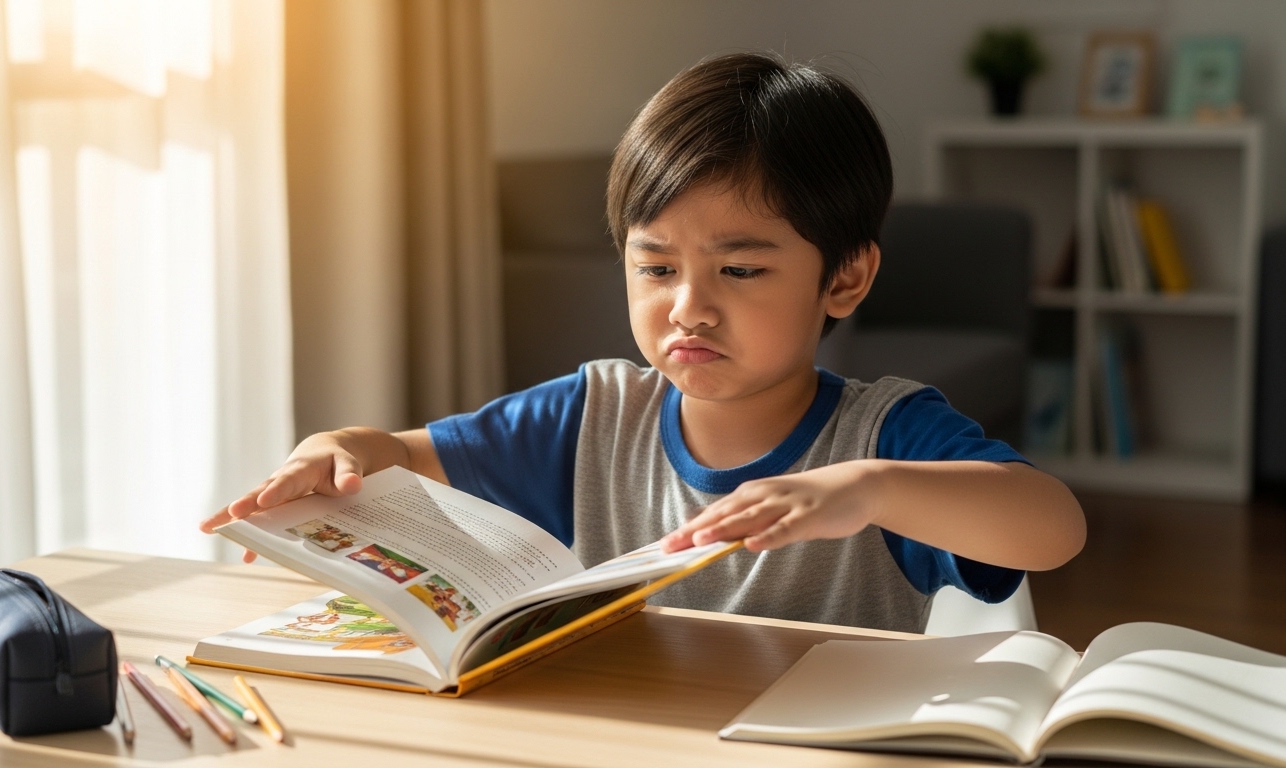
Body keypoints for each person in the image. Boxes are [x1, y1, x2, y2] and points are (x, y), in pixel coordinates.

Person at [200, 52, 1085, 633]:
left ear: (844, 279)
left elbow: (1055, 527)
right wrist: (339, 449)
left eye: (740, 270)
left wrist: (868, 490)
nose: (688, 308)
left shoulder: (882, 436)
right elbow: (398, 456)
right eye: (656, 268)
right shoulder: (591, 416)